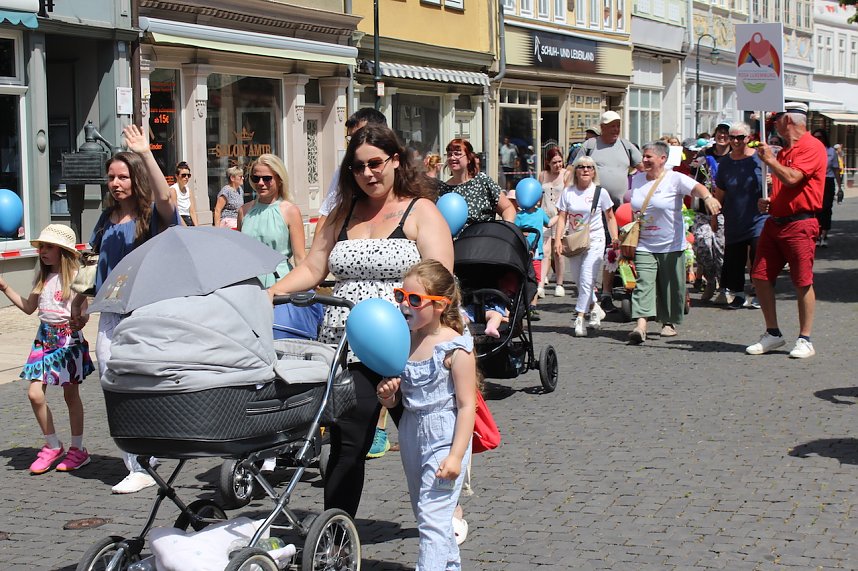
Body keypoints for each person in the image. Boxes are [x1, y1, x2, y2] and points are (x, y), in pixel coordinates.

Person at [268, 124, 454, 517]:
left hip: (407, 345)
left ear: (396, 161)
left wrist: (429, 341)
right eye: (357, 167)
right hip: (345, 346)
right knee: (348, 441)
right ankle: (335, 534)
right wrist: (271, 293)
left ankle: (442, 517)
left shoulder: (421, 212)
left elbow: (440, 281)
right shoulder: (341, 214)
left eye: (376, 163)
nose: (368, 173)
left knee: (425, 436)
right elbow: (314, 266)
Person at [70, 124, 179, 494]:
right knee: (110, 381)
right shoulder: (106, 218)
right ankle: (138, 455)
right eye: (111, 177)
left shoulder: (151, 217)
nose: (116, 183)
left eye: (123, 177)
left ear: (136, 179)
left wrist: (146, 153)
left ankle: (142, 460)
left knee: (140, 381)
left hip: (145, 310)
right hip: (111, 311)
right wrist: (79, 299)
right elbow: (91, 263)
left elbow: (168, 199)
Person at [376, 259, 476, 571]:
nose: (405, 305)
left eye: (415, 300)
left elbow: (466, 406)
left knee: (433, 517)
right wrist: (388, 395)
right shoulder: (403, 339)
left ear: (440, 305)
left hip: (445, 433)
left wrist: (456, 456)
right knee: (427, 513)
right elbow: (398, 402)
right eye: (400, 296)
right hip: (410, 430)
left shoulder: (454, 347)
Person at [0, 224, 95, 474]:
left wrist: (80, 320)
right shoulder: (42, 278)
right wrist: (5, 287)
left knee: (70, 396)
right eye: (41, 246)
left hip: (67, 340)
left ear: (62, 251)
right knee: (34, 394)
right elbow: (29, 308)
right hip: (43, 339)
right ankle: (53, 445)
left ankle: (78, 449)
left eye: (48, 247)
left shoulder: (76, 276)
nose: (42, 251)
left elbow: (84, 313)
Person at [745, 102, 826, 359]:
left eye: (775, 119)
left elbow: (792, 178)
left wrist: (770, 160)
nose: (773, 124)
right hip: (776, 221)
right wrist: (771, 201)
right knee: (759, 275)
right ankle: (772, 333)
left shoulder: (812, 147)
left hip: (800, 223)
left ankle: (805, 338)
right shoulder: (785, 150)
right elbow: (785, 186)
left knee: (802, 281)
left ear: (787, 120)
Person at [626, 141, 721, 344]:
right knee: (643, 283)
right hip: (644, 243)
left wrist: (708, 198)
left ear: (663, 159)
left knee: (671, 286)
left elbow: (697, 188)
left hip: (670, 243)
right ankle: (641, 325)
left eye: (649, 156)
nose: (644, 160)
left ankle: (668, 323)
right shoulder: (637, 180)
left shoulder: (675, 179)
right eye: (644, 156)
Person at [573, 111, 643, 312]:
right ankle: (600, 294)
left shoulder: (626, 145)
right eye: (611, 126)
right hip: (594, 211)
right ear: (602, 127)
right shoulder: (591, 145)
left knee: (617, 250)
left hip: (621, 210)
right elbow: (575, 169)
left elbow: (642, 168)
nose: (615, 129)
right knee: (599, 252)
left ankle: (610, 291)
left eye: (618, 125)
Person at [555, 156, 619, 337]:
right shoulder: (568, 192)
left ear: (593, 172)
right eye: (581, 167)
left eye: (589, 167)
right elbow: (562, 218)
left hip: (595, 238)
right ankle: (595, 307)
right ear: (575, 170)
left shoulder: (600, 192)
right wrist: (558, 239)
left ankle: (580, 317)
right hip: (575, 240)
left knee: (586, 277)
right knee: (578, 279)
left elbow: (611, 217)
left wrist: (614, 238)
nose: (585, 170)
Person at [713, 122, 767, 309]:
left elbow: (775, 182)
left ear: (748, 138)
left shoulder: (760, 159)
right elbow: (720, 191)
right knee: (734, 257)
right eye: (732, 137)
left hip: (759, 217)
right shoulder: (725, 163)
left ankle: (760, 290)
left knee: (759, 253)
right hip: (734, 216)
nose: (736, 141)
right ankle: (738, 294)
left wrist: (771, 182)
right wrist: (714, 215)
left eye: (740, 137)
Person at [316, 108, 389, 235]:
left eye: (375, 164)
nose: (367, 173)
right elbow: (326, 215)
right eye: (351, 138)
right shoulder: (343, 172)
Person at [238, 154, 306, 287]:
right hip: (249, 283)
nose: (261, 183)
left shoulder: (290, 211)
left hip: (281, 283)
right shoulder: (243, 211)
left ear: (279, 179)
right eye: (256, 178)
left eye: (267, 178)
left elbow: (300, 257)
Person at [439, 138, 516, 227]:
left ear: (468, 158)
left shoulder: (482, 182)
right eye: (449, 154)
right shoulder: (442, 190)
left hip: (482, 238)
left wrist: (507, 229)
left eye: (457, 154)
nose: (452, 157)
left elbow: (507, 208)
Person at [538, 147, 571, 298]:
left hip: (560, 216)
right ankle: (540, 284)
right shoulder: (543, 175)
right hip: (545, 216)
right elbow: (539, 197)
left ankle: (559, 283)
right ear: (548, 163)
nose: (558, 165)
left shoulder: (566, 175)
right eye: (554, 162)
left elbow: (569, 197)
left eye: (560, 161)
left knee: (558, 251)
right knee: (545, 251)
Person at [514, 199, 553, 320]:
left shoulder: (538, 213)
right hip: (524, 252)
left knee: (534, 279)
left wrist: (561, 215)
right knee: (527, 278)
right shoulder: (520, 215)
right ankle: (525, 305)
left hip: (534, 252)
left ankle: (532, 307)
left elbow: (549, 223)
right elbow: (514, 229)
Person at [462, 271, 518, 338]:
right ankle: (460, 324)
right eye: (506, 290)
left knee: (496, 315)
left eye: (510, 292)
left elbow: (508, 312)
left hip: (485, 312)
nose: (507, 293)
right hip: (478, 309)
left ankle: (491, 328)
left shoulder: (508, 300)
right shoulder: (494, 292)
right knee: (496, 316)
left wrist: (506, 318)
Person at [811, 129, 839, 247]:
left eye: (820, 137)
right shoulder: (810, 150)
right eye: (815, 137)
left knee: (826, 208)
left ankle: (824, 235)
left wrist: (840, 186)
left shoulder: (831, 151)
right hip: (815, 181)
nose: (818, 140)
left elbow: (836, 169)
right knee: (815, 209)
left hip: (828, 180)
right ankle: (816, 235)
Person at [169, 161, 198, 227]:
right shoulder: (173, 190)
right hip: (179, 220)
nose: (186, 177)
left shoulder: (189, 191)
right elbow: (175, 212)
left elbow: (192, 211)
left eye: (188, 175)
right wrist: (185, 228)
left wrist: (197, 227)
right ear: (176, 176)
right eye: (183, 175)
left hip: (189, 220)